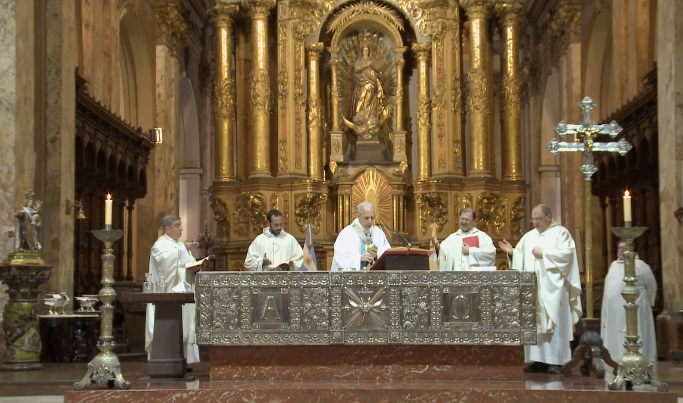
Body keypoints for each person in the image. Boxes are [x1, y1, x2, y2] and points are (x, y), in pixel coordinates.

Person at [498, 204, 582, 374]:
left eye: (538, 219)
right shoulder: (529, 236)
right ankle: (537, 360)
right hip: (534, 288)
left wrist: (545, 253)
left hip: (554, 290)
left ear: (548, 217)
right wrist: (512, 252)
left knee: (554, 322)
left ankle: (557, 361)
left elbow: (567, 255)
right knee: (533, 323)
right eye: (533, 219)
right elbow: (522, 256)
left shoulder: (561, 233)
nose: (535, 223)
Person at [145, 215, 211, 365]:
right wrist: (184, 248)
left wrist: (197, 265)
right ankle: (166, 360)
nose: (181, 228)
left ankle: (186, 359)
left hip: (183, 293)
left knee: (186, 324)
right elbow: (164, 264)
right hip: (167, 295)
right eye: (177, 225)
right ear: (167, 229)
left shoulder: (179, 245)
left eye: (180, 225)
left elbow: (186, 263)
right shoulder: (159, 245)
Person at [600, 240, 658, 362]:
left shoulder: (641, 265)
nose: (621, 250)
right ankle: (616, 359)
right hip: (615, 310)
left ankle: (638, 360)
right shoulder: (613, 266)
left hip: (636, 306)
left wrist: (649, 302)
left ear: (632, 249)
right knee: (616, 335)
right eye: (619, 247)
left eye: (624, 247)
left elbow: (651, 286)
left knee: (636, 331)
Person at [345, 44, 389, 140]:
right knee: (362, 98)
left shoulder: (372, 61)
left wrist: (372, 65)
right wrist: (365, 81)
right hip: (363, 85)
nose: (366, 52)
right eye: (364, 50)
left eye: (367, 50)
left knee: (373, 101)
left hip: (373, 86)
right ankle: (360, 114)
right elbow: (356, 71)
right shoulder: (359, 61)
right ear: (362, 51)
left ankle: (372, 115)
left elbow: (377, 69)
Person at [331, 202, 391, 271]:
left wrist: (377, 255)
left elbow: (388, 254)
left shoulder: (378, 233)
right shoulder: (346, 234)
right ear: (358, 215)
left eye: (372, 218)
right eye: (366, 218)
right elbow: (340, 259)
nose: (370, 221)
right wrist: (359, 260)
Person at [431, 208, 496, 271]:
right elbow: (442, 255)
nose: (464, 222)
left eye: (467, 220)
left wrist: (471, 251)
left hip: (474, 279)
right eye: (462, 219)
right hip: (456, 279)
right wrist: (437, 247)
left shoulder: (482, 237)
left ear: (474, 222)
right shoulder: (452, 238)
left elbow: (491, 254)